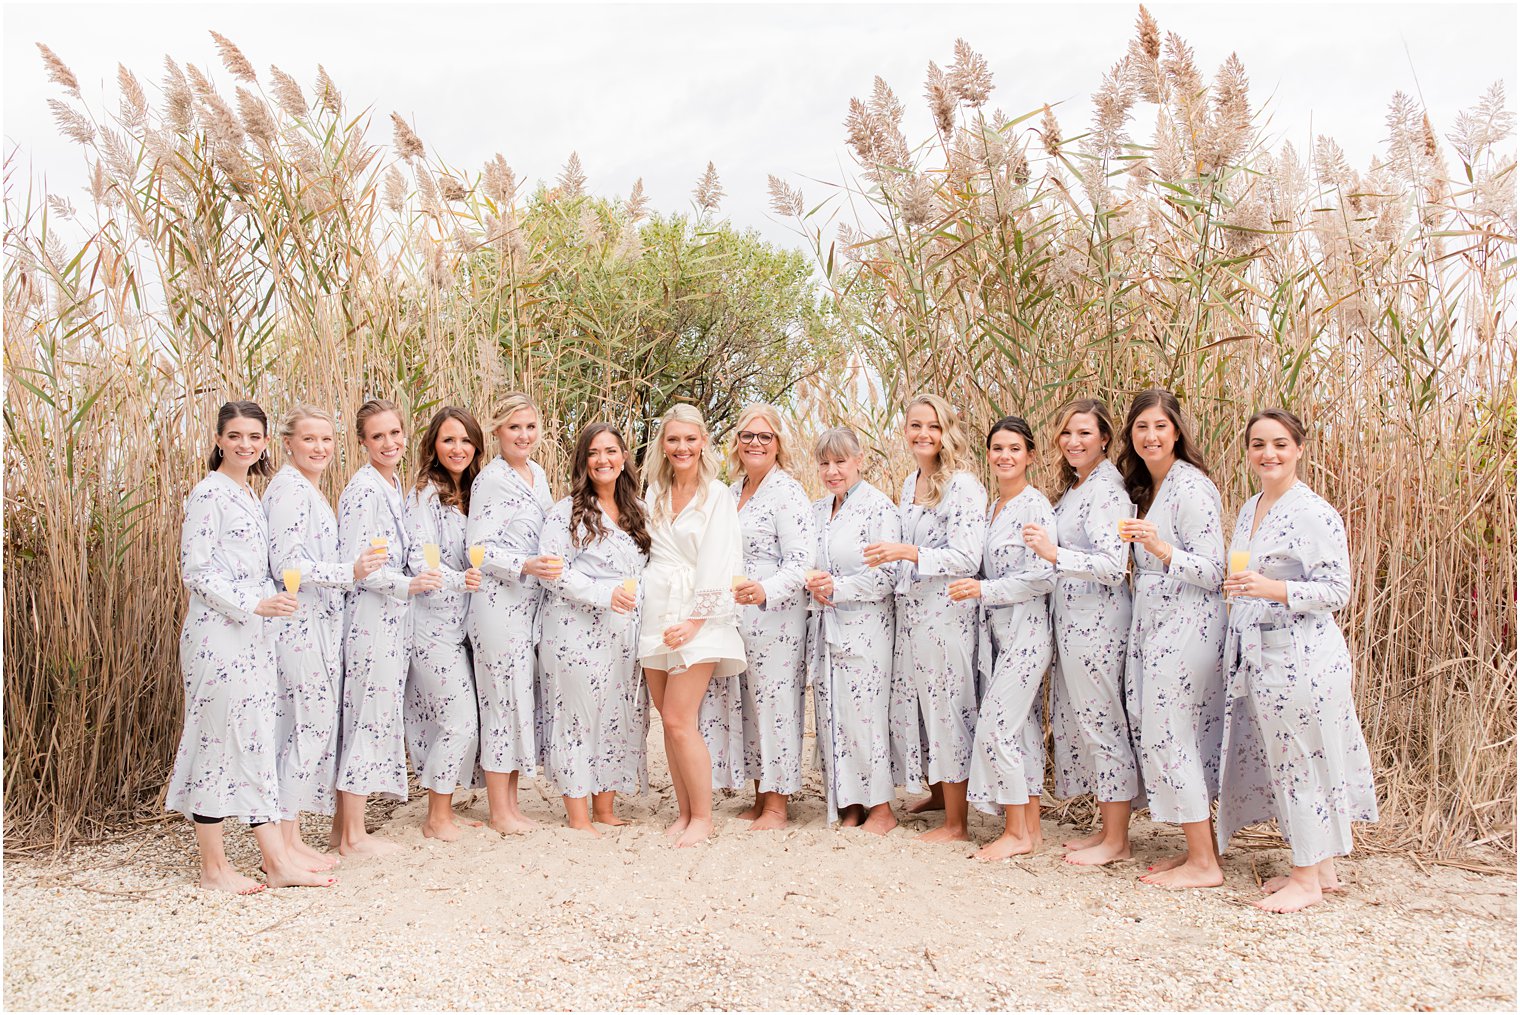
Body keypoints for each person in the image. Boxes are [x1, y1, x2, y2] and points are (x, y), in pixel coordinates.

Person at [166, 399, 335, 893]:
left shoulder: (249, 495)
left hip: (253, 637)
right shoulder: (208, 495)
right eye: (235, 435)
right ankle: (213, 868)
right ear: (219, 439)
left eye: (254, 437)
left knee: (256, 738)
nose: (245, 445)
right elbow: (196, 572)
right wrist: (255, 602)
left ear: (265, 443)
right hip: (218, 638)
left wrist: (270, 604)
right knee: (214, 741)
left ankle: (276, 859)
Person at [1218, 408, 1378, 913]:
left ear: (1299, 448)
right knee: (1290, 757)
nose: (1269, 453)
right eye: (1258, 444)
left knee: (1301, 760)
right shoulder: (1250, 507)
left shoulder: (1311, 511)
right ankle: (1321, 865)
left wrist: (1272, 589)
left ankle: (1305, 878)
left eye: (1280, 444)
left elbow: (1337, 589)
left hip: (1303, 656)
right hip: (1264, 654)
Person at [264, 404, 384, 870]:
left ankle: (290, 837)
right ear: (288, 443)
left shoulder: (309, 490)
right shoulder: (290, 490)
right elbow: (286, 565)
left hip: (319, 620)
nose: (319, 448)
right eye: (309, 439)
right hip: (298, 622)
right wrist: (348, 572)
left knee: (307, 725)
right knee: (307, 724)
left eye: (326, 440)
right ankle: (285, 841)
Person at [1117, 389, 1228, 889]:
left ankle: (1205, 864)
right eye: (1141, 427)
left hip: (1188, 624)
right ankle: (1197, 851)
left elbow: (1214, 570)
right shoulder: (1148, 489)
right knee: (1166, 733)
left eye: (1160, 426)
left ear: (1177, 431)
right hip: (1154, 624)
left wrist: (1160, 548)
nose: (1151, 436)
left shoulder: (1192, 488)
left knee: (1168, 734)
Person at [865, 394, 986, 843]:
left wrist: (908, 552)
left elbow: (967, 556)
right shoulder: (910, 482)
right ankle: (939, 794)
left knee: (946, 707)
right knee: (919, 707)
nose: (923, 434)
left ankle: (957, 823)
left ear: (947, 431)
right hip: (912, 611)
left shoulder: (964, 485)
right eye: (915, 425)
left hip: (948, 612)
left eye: (932, 427)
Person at [1022, 397, 1139, 866]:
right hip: (1072, 622)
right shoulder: (1077, 487)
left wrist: (1055, 555)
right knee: (1088, 724)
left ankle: (1118, 840)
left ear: (1105, 438)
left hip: (1099, 624)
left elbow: (1114, 566)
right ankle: (1105, 829)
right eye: (1067, 433)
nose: (1073, 442)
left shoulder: (1108, 490)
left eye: (1085, 433)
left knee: (1105, 723)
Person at [333, 398, 442, 858]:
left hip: (389, 619)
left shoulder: (393, 485)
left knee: (373, 713)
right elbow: (363, 567)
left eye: (395, 433)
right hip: (370, 618)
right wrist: (409, 584)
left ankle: (343, 832)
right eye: (377, 436)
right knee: (367, 717)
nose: (389, 443)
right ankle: (355, 837)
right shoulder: (363, 491)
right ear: (362, 442)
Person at [638, 404, 746, 848]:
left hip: (698, 618)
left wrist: (694, 622)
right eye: (673, 439)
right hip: (656, 612)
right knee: (668, 720)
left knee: (682, 718)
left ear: (703, 443)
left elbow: (721, 561)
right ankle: (683, 813)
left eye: (690, 439)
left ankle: (703, 816)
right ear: (663, 445)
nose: (681, 447)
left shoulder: (716, 495)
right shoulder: (653, 492)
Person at [538, 423, 653, 835]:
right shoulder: (564, 512)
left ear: (624, 458)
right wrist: (604, 595)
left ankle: (605, 807)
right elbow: (554, 574)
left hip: (625, 634)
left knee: (618, 716)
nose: (603, 459)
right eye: (593, 452)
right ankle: (578, 815)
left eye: (611, 451)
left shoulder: (641, 511)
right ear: (583, 461)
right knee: (578, 718)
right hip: (576, 629)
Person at [952, 416, 1056, 860]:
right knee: (1023, 729)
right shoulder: (993, 508)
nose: (1005, 456)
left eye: (1015, 448)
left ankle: (1013, 832)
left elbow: (1043, 575)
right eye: (997, 448)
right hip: (998, 634)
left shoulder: (1034, 507)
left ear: (1030, 455)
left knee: (996, 727)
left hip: (1028, 630)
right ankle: (1030, 830)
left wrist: (984, 590)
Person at [466, 392, 561, 835]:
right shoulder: (492, 479)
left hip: (528, 606)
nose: (523, 435)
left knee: (518, 698)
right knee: (500, 699)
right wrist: (523, 564)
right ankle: (499, 810)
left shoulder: (537, 474)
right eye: (513, 427)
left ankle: (512, 803)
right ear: (497, 431)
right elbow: (477, 549)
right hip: (497, 604)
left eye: (529, 427)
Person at [805, 427, 900, 835]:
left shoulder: (879, 509)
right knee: (832, 715)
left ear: (859, 459)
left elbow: (888, 575)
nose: (832, 470)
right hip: (826, 626)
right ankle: (849, 802)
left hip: (865, 626)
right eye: (824, 463)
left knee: (864, 716)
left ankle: (881, 807)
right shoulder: (817, 509)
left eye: (840, 461)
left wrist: (837, 588)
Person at [728, 403, 816, 831]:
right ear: (736, 443)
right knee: (749, 704)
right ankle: (760, 794)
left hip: (776, 616)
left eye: (765, 436)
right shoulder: (730, 491)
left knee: (777, 703)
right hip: (737, 617)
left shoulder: (787, 491)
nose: (756, 443)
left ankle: (778, 803)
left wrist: (766, 589)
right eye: (748, 435)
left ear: (778, 443)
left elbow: (801, 561)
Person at [404, 407, 486, 841]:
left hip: (465, 627)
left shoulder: (474, 492)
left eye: (466, 440)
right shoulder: (426, 494)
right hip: (431, 626)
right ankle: (435, 818)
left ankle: (446, 809)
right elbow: (421, 561)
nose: (458, 448)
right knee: (458, 720)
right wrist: (462, 579)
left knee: (464, 719)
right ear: (434, 444)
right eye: (449, 440)